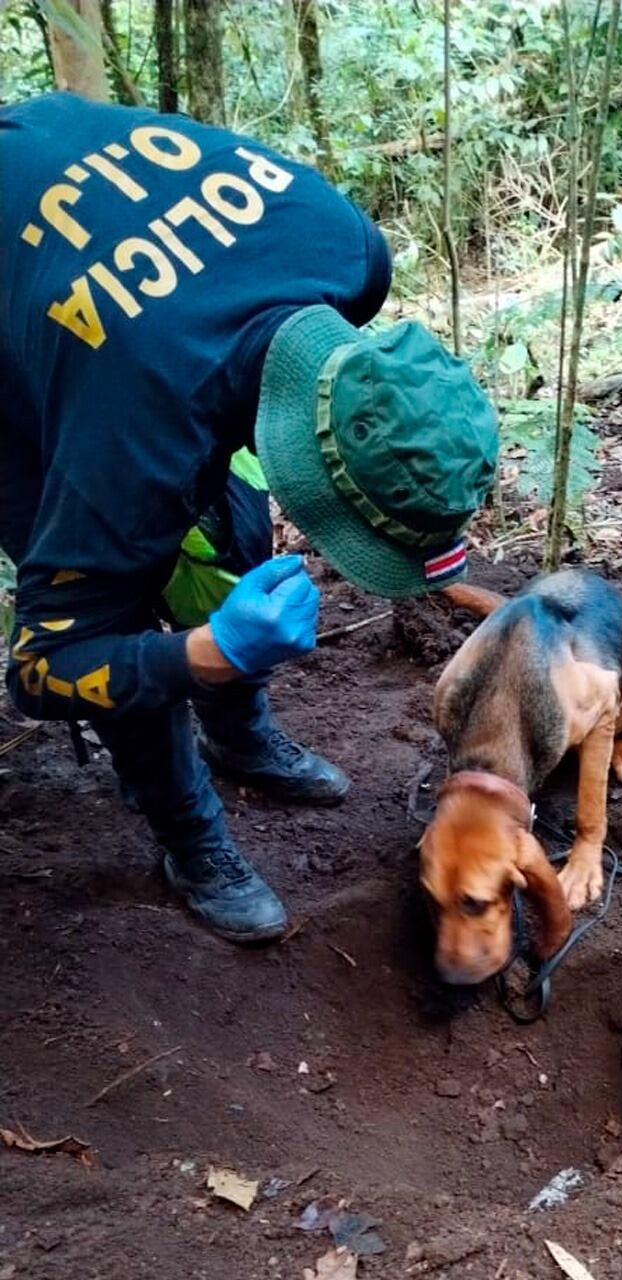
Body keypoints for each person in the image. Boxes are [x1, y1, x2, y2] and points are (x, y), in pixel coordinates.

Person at [0, 92, 498, 943]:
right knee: (116, 616)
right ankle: (191, 838)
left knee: (233, 526)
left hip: (111, 289)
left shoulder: (347, 250)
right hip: (35, 369)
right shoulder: (129, 436)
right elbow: (44, 668)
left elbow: (231, 390)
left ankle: (240, 734)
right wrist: (207, 652)